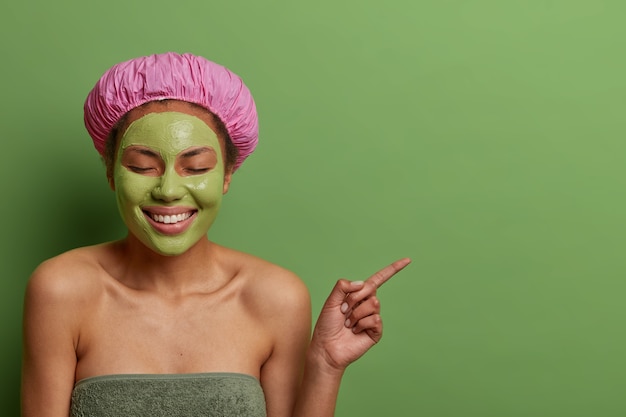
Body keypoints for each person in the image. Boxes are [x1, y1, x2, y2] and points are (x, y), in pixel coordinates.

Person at [21, 52, 411, 417]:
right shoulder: (61, 289)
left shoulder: (275, 297)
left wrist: (325, 365)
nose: (169, 190)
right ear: (110, 173)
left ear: (226, 175)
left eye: (196, 167)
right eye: (142, 166)